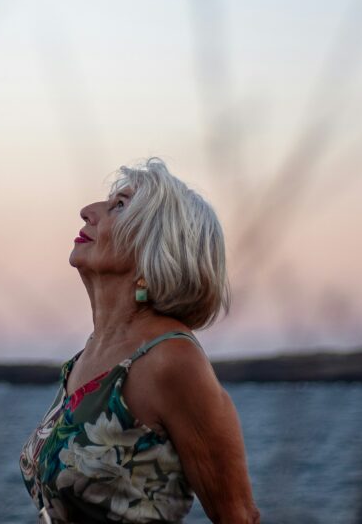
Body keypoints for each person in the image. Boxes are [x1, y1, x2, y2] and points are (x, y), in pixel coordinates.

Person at [20, 157, 260, 524]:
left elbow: (238, 516)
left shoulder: (171, 360)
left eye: (119, 206)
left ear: (156, 246)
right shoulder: (85, 358)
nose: (87, 211)